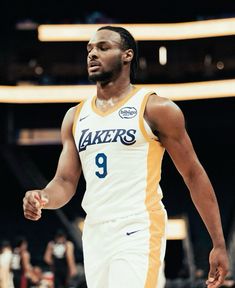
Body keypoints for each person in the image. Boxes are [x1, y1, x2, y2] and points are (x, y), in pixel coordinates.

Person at [23, 25, 229, 288]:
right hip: (95, 232)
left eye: (103, 47)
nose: (92, 54)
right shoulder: (75, 116)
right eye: (89, 49)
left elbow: (193, 174)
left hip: (138, 228)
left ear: (127, 55)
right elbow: (64, 181)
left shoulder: (156, 108)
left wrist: (218, 243)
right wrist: (43, 197)